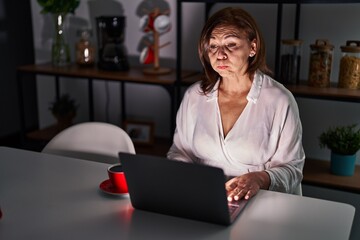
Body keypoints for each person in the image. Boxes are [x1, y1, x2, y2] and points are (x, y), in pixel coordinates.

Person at [167, 7, 305, 201]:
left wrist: (260, 178)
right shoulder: (194, 95)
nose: (220, 55)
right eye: (213, 46)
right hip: (203, 199)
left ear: (253, 48)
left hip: (262, 204)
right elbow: (179, 151)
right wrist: (186, 176)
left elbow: (292, 169)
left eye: (231, 44)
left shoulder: (279, 100)